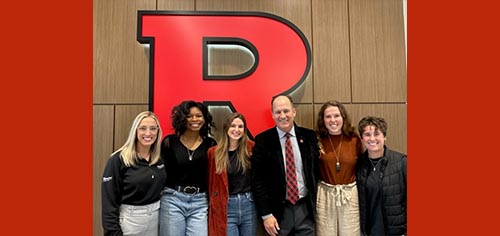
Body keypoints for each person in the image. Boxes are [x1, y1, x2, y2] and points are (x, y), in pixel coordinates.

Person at [251, 95, 320, 236]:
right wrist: (266, 214)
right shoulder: (263, 140)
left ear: (294, 112)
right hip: (277, 214)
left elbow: (315, 172)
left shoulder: (309, 137)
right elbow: (258, 180)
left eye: (286, 111)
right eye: (278, 112)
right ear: (272, 115)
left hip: (305, 208)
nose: (283, 116)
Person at [101, 111, 166, 236]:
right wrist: (112, 232)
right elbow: (109, 202)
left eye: (153, 128)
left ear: (158, 131)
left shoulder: (159, 159)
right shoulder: (118, 159)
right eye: (143, 128)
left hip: (155, 219)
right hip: (130, 221)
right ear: (135, 131)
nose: (148, 133)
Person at [159, 100, 217, 236]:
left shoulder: (211, 144)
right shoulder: (169, 142)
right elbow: (161, 171)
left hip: (200, 202)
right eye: (189, 116)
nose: (194, 119)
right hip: (173, 199)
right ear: (182, 119)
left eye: (199, 115)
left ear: (204, 118)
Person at [315, 100, 363, 236]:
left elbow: (362, 167)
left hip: (349, 195)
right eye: (328, 116)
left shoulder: (354, 140)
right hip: (325, 195)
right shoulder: (317, 140)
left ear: (343, 118)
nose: (333, 120)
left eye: (336, 116)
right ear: (323, 120)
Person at [207, 112, 256, 236]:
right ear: (226, 128)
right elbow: (210, 182)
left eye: (240, 127)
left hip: (248, 203)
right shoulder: (214, 153)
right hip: (227, 205)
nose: (236, 130)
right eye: (233, 126)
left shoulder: (252, 148)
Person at [356, 116, 407, 236]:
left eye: (376, 134)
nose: (372, 138)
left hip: (397, 231)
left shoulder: (401, 162)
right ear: (362, 139)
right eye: (367, 134)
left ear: (384, 136)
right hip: (370, 231)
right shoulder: (358, 165)